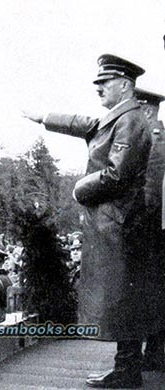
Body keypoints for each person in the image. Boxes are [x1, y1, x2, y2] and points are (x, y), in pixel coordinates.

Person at [23, 54, 152, 388]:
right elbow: (87, 123)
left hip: (119, 225)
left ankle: (127, 372)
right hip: (117, 224)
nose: (98, 89)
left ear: (124, 85)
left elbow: (117, 174)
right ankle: (126, 368)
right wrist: (45, 118)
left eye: (104, 83)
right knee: (123, 298)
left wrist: (81, 188)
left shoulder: (130, 120)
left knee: (124, 299)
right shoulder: (122, 116)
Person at [135, 88, 165, 371]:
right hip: (157, 228)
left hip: (152, 229)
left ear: (146, 109)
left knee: (152, 293)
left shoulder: (153, 139)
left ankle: (155, 354)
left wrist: (140, 224)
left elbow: (151, 190)